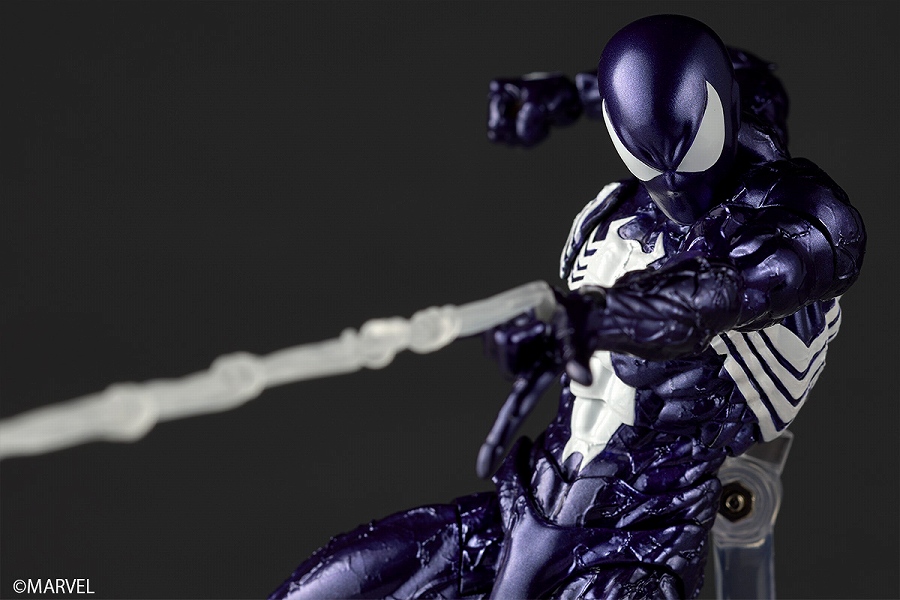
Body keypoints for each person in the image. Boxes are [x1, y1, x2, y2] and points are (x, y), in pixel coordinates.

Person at [270, 15, 865, 599]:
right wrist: (568, 93)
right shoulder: (621, 211)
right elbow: (729, 70)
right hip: (527, 504)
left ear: (727, 108)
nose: (673, 184)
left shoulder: (799, 219)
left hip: (638, 545)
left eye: (689, 149)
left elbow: (722, 290)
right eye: (647, 154)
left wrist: (599, 316)